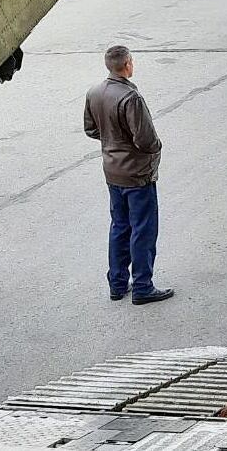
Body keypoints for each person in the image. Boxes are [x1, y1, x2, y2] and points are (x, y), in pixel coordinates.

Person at [84, 46, 173, 305]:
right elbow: (146, 139)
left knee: (119, 226)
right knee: (143, 229)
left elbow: (91, 129)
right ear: (128, 65)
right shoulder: (130, 98)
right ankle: (143, 285)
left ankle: (117, 283)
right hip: (136, 174)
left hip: (112, 171)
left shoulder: (94, 92)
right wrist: (156, 148)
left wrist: (113, 142)